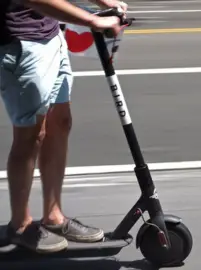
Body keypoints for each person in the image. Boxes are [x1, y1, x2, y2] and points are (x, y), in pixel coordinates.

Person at [0, 0, 127, 253]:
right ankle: (20, 224)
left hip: (51, 35)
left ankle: (53, 216)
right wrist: (91, 20)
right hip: (21, 44)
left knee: (61, 123)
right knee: (31, 135)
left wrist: (103, 2)